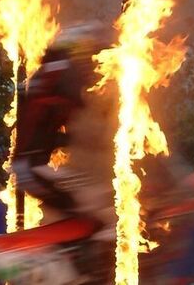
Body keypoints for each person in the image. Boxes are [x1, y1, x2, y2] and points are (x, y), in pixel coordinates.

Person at [11, 20, 116, 236]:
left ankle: (79, 247)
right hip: (32, 169)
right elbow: (77, 117)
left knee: (93, 199)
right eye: (90, 53)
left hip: (33, 167)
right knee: (91, 205)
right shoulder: (60, 72)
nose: (93, 62)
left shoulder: (51, 75)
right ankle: (80, 248)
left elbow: (54, 129)